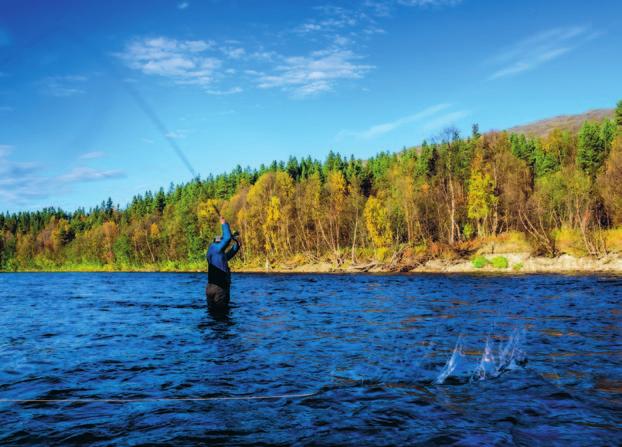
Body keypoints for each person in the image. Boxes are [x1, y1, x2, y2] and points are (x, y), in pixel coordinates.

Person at [205, 216, 240, 310]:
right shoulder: (216, 249)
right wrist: (224, 223)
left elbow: (232, 252)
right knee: (221, 315)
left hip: (211, 288)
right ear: (219, 243)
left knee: (212, 314)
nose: (226, 245)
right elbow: (227, 237)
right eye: (224, 243)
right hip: (220, 288)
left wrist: (236, 241)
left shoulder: (216, 254)